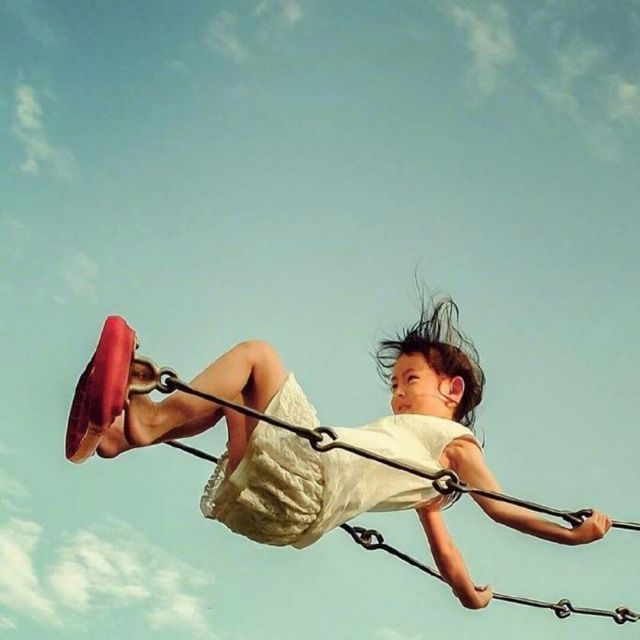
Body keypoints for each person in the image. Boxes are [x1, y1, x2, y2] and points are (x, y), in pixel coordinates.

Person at [94, 296, 613, 610]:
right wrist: (466, 592)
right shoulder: (424, 474)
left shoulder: (454, 445)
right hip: (284, 506)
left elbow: (499, 507)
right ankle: (120, 437)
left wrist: (572, 536)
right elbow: (449, 556)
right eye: (394, 384)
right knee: (234, 396)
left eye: (410, 379)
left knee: (257, 355)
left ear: (452, 391)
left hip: (309, 482)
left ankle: (146, 423)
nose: (398, 394)